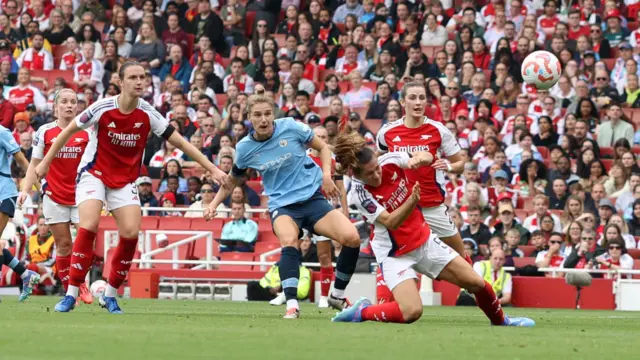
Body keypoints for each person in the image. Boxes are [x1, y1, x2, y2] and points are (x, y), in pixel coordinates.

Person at [35, 61, 230, 313]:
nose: (140, 82)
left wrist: (212, 168)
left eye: (143, 77)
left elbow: (180, 143)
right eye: (134, 77)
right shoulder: (102, 107)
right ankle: (71, 293)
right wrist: (46, 161)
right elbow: (68, 130)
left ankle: (110, 294)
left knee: (130, 233)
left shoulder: (148, 113)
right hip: (93, 174)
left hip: (125, 180)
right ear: (121, 81)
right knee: (89, 225)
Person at [332, 132, 534, 326]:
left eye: (377, 168)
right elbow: (390, 221)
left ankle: (502, 322)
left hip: (424, 241)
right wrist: (412, 201)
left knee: (476, 283)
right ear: (355, 173)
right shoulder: (359, 194)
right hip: (394, 253)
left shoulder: (389, 160)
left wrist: (420, 158)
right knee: (412, 312)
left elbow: (426, 155)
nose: (377, 174)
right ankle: (362, 311)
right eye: (370, 173)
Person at [204, 95, 361, 319]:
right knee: (289, 242)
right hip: (283, 206)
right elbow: (232, 180)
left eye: (267, 114)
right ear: (249, 118)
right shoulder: (245, 148)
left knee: (352, 238)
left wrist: (327, 175)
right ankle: (292, 303)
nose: (263, 119)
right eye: (257, 115)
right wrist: (213, 204)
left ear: (273, 114)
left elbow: (324, 148)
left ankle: (337, 294)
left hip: (313, 199)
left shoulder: (291, 127)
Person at [377, 81, 470, 264]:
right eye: (412, 98)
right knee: (395, 260)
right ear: (403, 102)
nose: (418, 103)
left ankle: (472, 291)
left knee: (460, 254)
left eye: (422, 98)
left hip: (431, 205)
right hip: (401, 206)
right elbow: (379, 160)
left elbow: (461, 163)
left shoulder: (438, 130)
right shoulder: (387, 132)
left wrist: (448, 166)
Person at [17, 88, 93, 304]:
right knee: (64, 245)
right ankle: (72, 292)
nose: (69, 105)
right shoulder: (44, 132)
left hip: (82, 196)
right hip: (54, 195)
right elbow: (34, 164)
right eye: (65, 102)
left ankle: (81, 282)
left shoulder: (88, 131)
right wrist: (25, 189)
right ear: (56, 107)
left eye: (73, 102)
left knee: (86, 243)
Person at [307, 126, 349, 308]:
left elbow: (341, 189)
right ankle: (286, 293)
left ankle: (324, 297)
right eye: (318, 136)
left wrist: (345, 211)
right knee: (289, 247)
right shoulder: (303, 158)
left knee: (324, 255)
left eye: (324, 136)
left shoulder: (334, 162)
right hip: (299, 209)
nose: (321, 138)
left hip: (321, 212)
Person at [0, 122, 39, 301]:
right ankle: (25, 274)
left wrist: (40, 187)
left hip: (3, 191)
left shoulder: (2, 132)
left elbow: (22, 160)